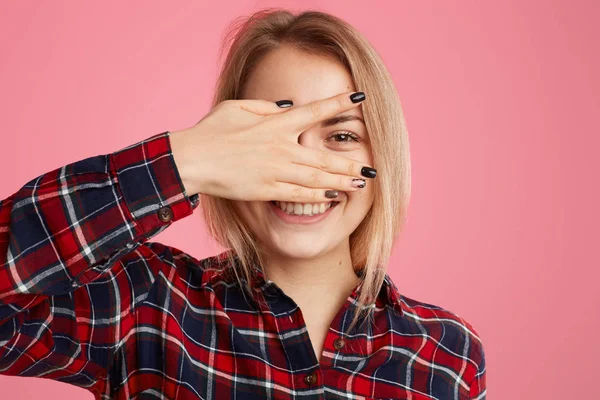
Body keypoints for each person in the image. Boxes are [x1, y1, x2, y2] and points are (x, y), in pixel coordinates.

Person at [0, 8, 486, 400]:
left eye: (340, 135)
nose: (302, 170)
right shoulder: (146, 303)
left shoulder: (445, 352)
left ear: (383, 155)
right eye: (270, 137)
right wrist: (183, 161)